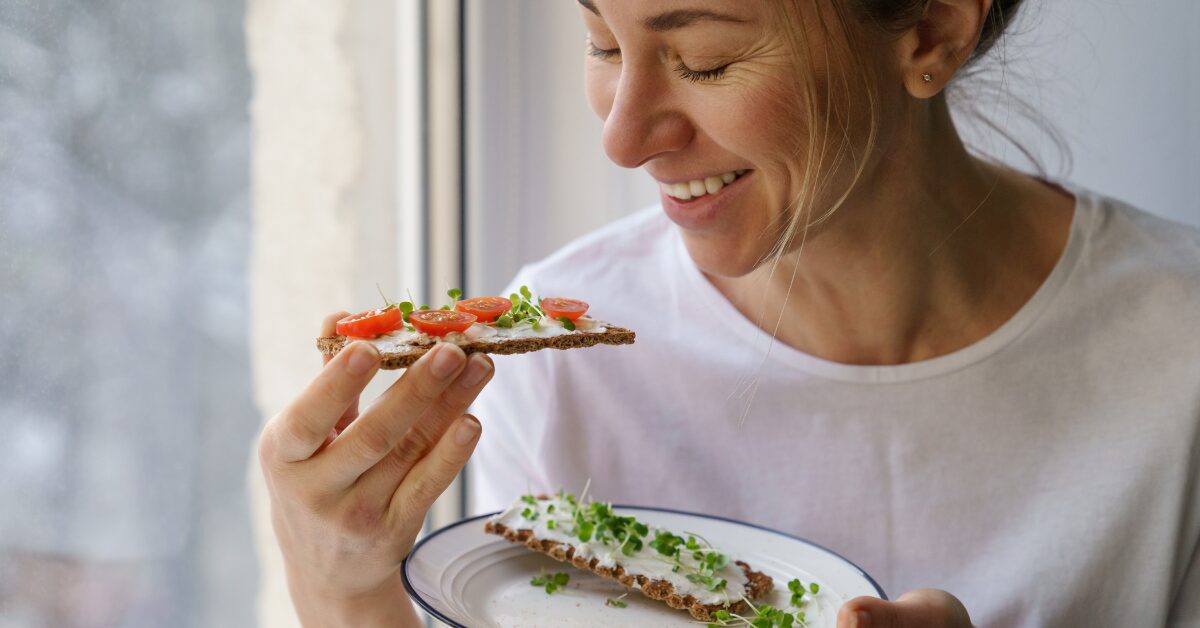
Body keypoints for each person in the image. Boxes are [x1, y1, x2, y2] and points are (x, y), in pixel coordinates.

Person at [256, 1, 1200, 626]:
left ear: (930, 32)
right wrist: (345, 594)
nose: (623, 138)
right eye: (602, 43)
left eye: (704, 62)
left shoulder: (1177, 350)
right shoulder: (569, 377)